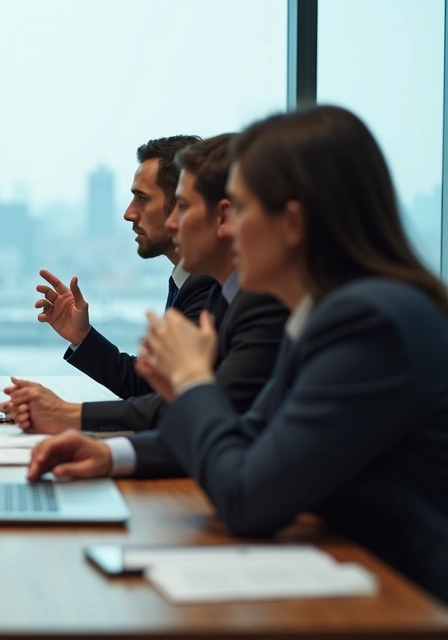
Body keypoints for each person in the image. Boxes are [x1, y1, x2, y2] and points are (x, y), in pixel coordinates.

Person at [33, 106, 448, 603]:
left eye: (242, 209)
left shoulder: (367, 322)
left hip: (404, 599)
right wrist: (111, 454)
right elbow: (251, 433)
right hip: (346, 573)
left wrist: (190, 382)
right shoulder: (320, 312)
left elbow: (246, 497)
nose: (228, 229)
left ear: (292, 223)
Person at [3, 134, 287, 478]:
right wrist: (83, 339)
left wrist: (69, 415)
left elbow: (197, 411)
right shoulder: (214, 289)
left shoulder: (240, 297)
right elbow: (177, 402)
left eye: (182, 205)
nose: (172, 223)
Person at [34, 136, 216, 399]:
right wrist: (82, 336)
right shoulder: (186, 278)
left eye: (141, 199)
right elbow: (152, 388)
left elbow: (165, 405)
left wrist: (70, 415)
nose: (128, 213)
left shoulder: (207, 285)